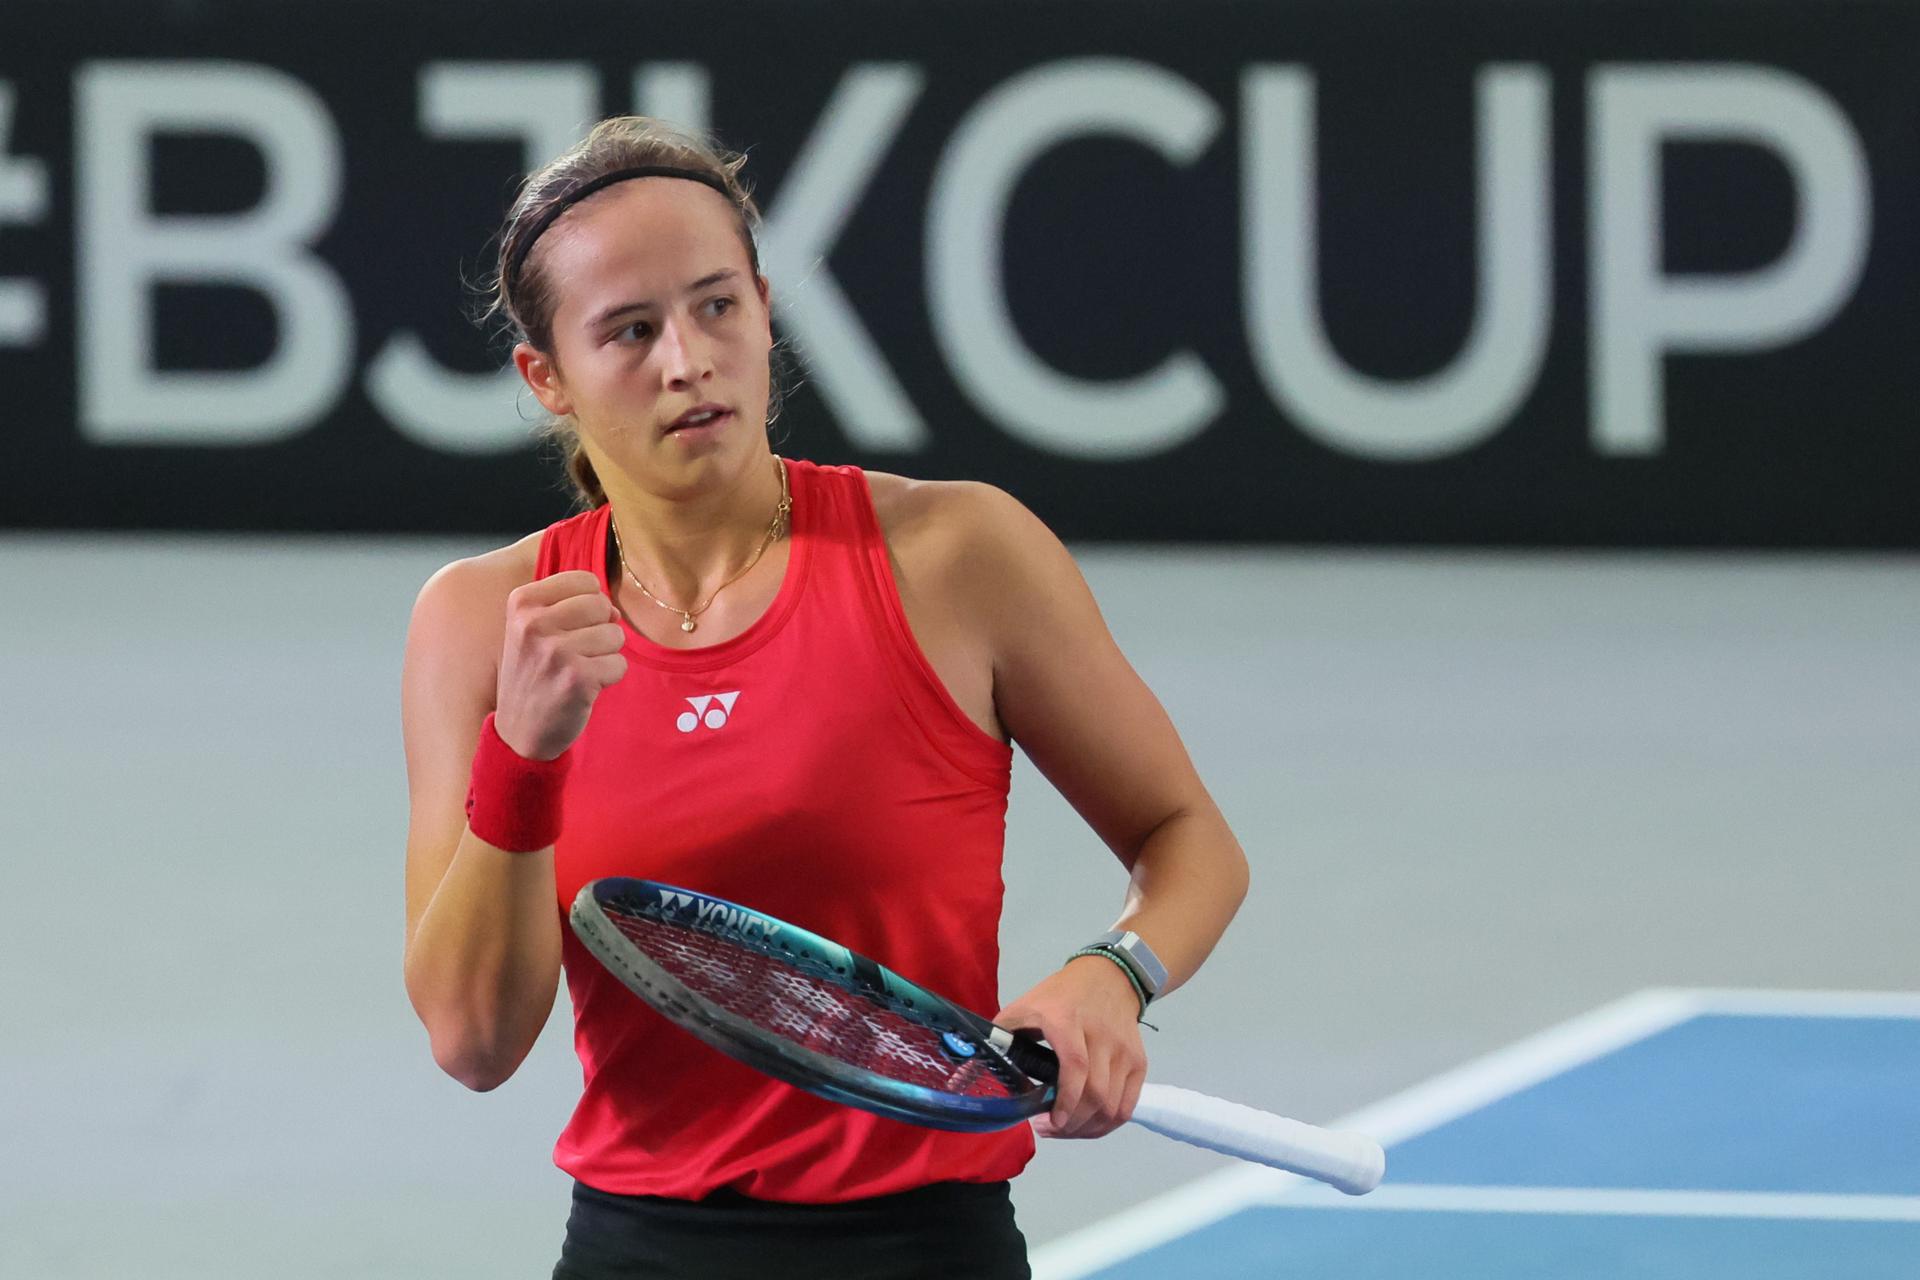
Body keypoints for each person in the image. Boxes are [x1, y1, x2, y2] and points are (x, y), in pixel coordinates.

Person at [400, 117, 1250, 1279]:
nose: (688, 360)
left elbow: (1188, 837)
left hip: (922, 1244)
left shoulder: (959, 555)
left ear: (762, 304)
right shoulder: (481, 622)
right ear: (545, 377)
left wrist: (1115, 970)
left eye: (717, 306)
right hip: (637, 1247)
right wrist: (527, 752)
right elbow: (473, 1038)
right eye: (630, 331)